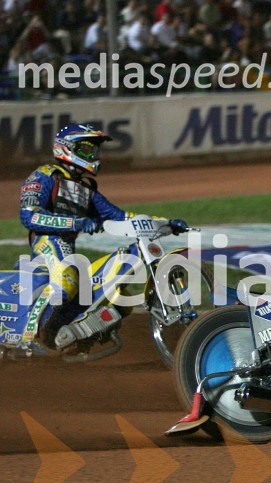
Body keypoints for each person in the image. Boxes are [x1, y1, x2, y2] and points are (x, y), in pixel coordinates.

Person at [19, 124, 188, 349]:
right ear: (67, 149)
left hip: (68, 247)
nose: (93, 156)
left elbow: (120, 216)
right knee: (67, 279)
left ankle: (77, 336)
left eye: (95, 151)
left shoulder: (85, 188)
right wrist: (76, 222)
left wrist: (164, 223)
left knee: (116, 297)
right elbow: (29, 215)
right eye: (87, 150)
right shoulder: (45, 175)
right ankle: (33, 336)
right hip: (47, 242)